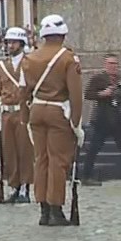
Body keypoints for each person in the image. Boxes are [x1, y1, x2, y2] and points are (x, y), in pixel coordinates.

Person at [21, 14, 84, 228]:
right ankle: (55, 208)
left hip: (36, 110)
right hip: (58, 111)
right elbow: (76, 95)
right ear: (63, 34)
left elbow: (23, 92)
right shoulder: (68, 58)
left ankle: (43, 209)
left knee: (41, 159)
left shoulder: (30, 59)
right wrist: (76, 123)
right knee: (58, 160)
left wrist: (25, 118)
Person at [80, 54, 121, 186]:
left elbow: (120, 99)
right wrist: (102, 94)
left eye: (115, 64)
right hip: (103, 120)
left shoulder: (118, 80)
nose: (113, 67)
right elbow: (88, 94)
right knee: (94, 149)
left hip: (117, 121)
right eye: (110, 64)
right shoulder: (98, 78)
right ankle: (85, 176)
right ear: (105, 65)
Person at [0, 28, 32, 205]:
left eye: (14, 42)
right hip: (6, 113)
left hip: (23, 111)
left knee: (25, 150)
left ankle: (25, 186)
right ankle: (14, 186)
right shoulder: (2, 66)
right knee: (9, 151)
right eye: (8, 42)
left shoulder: (30, 63)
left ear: (22, 44)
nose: (10, 45)